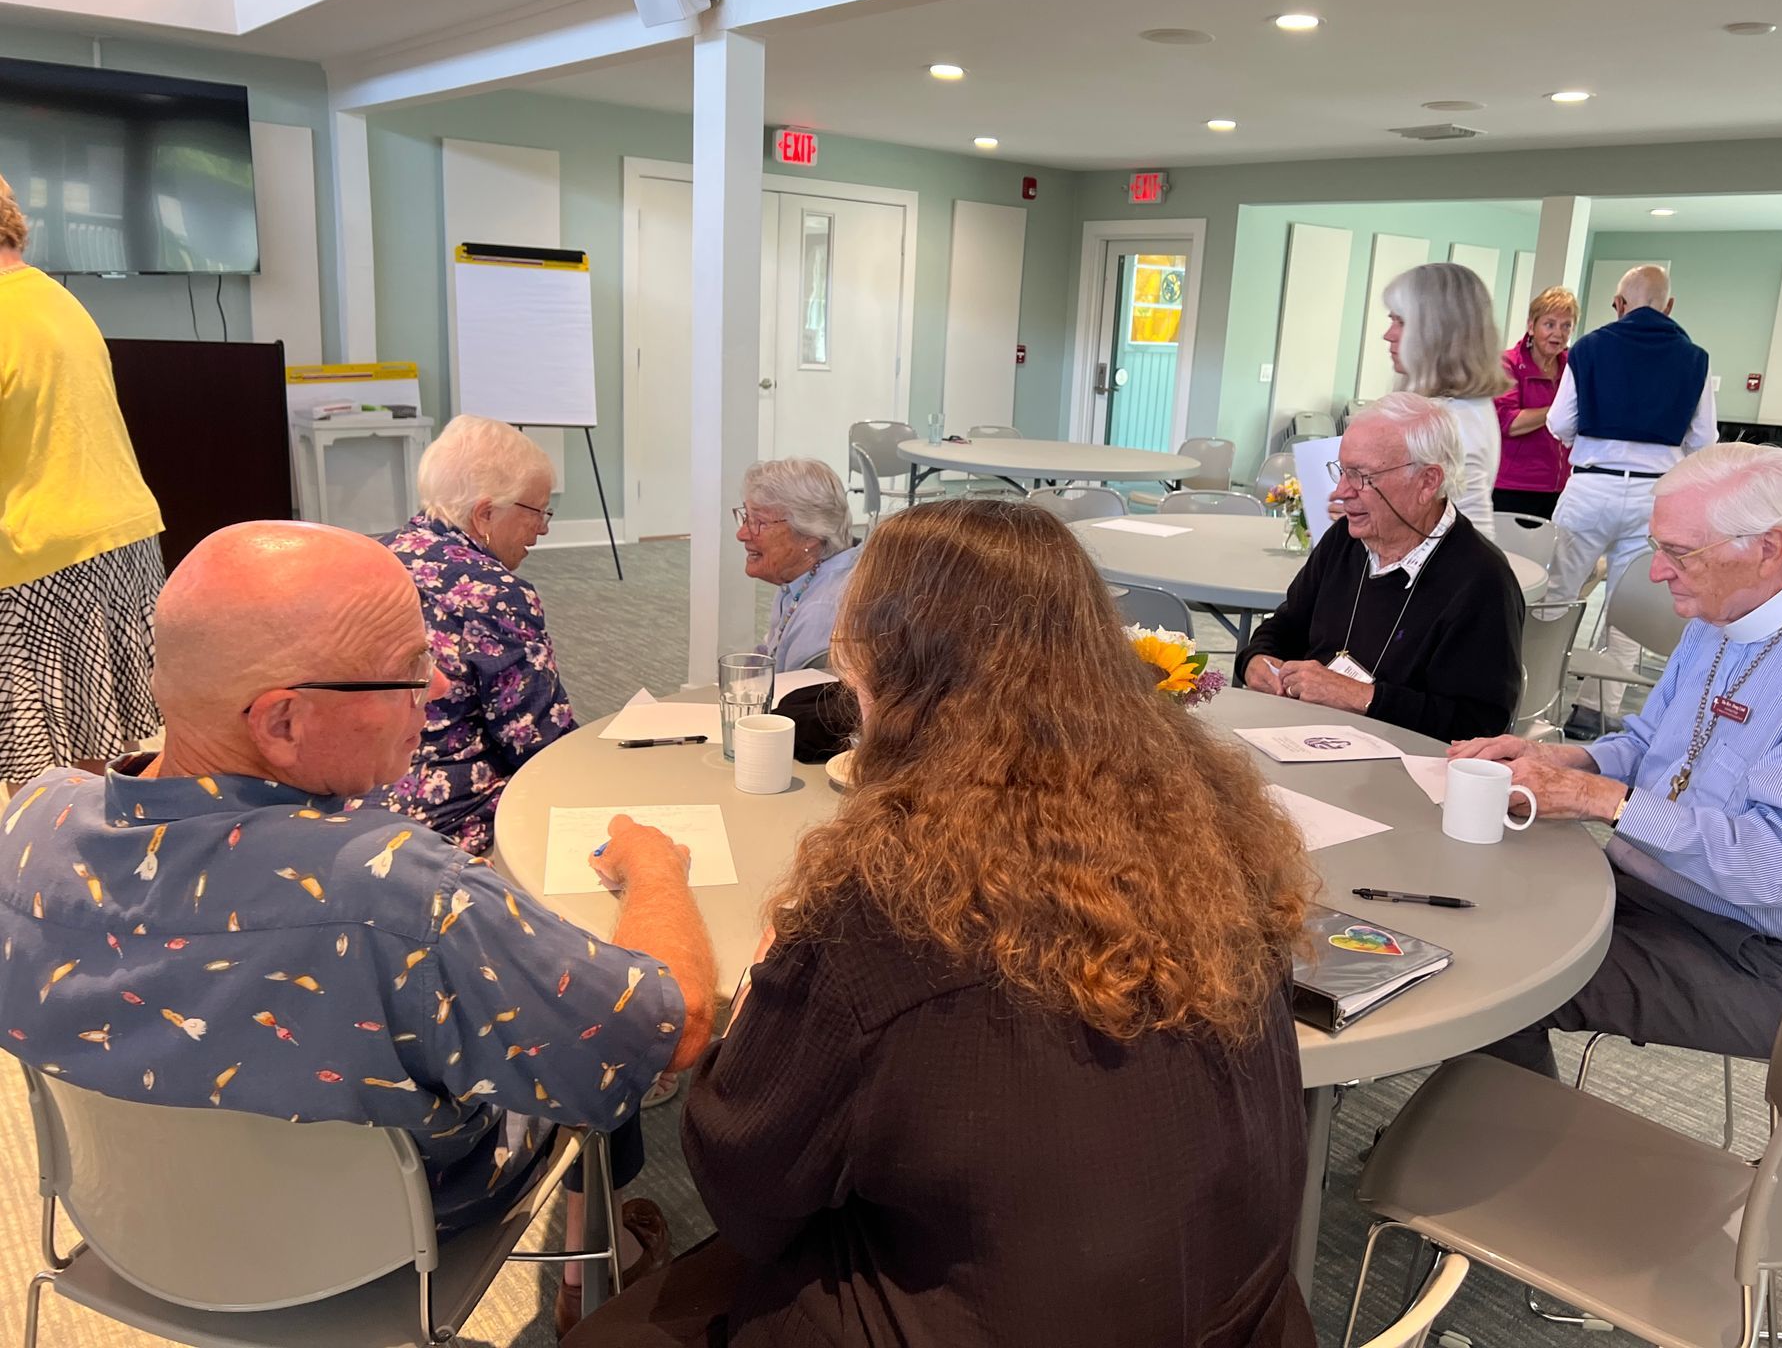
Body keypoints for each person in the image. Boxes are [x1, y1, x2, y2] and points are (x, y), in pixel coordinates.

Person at [567, 498, 1321, 1348]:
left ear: (888, 670)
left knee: (613, 1335)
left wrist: (761, 993)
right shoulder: (1217, 835)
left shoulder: (888, 904)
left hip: (987, 1324)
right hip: (1243, 1318)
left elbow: (745, 1185)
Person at [0, 522, 716, 1335]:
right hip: (378, 1247)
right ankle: (595, 1262)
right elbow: (675, 1025)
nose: (438, 688)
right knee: (582, 1020)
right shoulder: (399, 892)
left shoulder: (28, 825)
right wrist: (654, 867)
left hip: (127, 1226)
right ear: (282, 722)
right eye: (408, 672)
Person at [1453, 445, 1782, 1077]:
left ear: (1768, 548)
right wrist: (1562, 760)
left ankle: (1489, 1137)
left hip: (1768, 958)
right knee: (1464, 898)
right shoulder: (1726, 609)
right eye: (1658, 547)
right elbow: (1654, 747)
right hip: (1658, 892)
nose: (1657, 571)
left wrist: (1598, 799)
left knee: (1497, 975)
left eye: (1678, 552)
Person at [0, 168, 166, 794]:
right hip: (121, 538)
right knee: (98, 749)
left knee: (42, 781)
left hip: (42, 557)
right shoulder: (53, 297)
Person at [1236, 393, 1524, 743]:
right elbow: (1286, 625)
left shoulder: (1481, 581)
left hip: (1400, 764)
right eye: (1342, 471)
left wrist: (1360, 696)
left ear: (1427, 481)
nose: (1341, 492)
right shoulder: (1345, 540)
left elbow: (1478, 725)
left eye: (1362, 476)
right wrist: (1256, 660)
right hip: (1305, 738)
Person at [369, 415, 575, 856]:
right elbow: (537, 741)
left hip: (354, 798)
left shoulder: (371, 558)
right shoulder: (496, 594)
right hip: (447, 819)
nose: (543, 529)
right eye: (537, 512)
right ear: (485, 514)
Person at [1544, 264, 1717, 734]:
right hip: (1652, 495)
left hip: (1591, 485)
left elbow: (1559, 423)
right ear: (1669, 306)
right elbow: (1704, 439)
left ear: (1619, 304)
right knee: (1629, 604)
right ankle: (1593, 710)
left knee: (1558, 593)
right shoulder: (1695, 358)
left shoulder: (1589, 348)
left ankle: (1540, 692)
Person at [1380, 261, 1506, 534]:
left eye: (1401, 322)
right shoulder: (1455, 410)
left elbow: (1475, 534)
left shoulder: (1457, 420)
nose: (1388, 335)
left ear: (1438, 332)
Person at [737, 458, 861, 671]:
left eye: (760, 522)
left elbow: (796, 691)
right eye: (746, 518)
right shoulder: (801, 578)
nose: (742, 534)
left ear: (809, 536)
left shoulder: (821, 611)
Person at [1492, 286, 1579, 519]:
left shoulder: (1573, 365)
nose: (1558, 333)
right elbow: (1510, 423)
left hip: (1562, 487)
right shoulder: (1507, 363)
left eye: (1566, 326)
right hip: (1514, 487)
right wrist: (1559, 410)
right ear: (1532, 326)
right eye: (1549, 324)